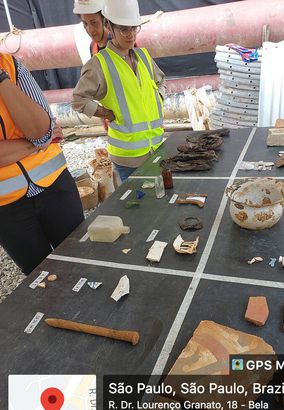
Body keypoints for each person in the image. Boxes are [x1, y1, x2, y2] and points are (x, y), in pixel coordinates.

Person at [0, 53, 84, 275]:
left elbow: (40, 130)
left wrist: (1, 78)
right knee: (40, 276)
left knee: (81, 259)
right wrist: (36, 145)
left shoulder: (9, 64)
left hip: (56, 186)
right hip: (8, 208)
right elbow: (43, 137)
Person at [72, 0, 166, 182]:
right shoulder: (99, 63)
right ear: (109, 26)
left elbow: (161, 81)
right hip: (127, 157)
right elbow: (78, 100)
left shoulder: (143, 56)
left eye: (134, 28)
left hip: (156, 148)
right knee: (135, 208)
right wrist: (105, 113)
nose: (131, 35)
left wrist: (159, 97)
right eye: (124, 29)